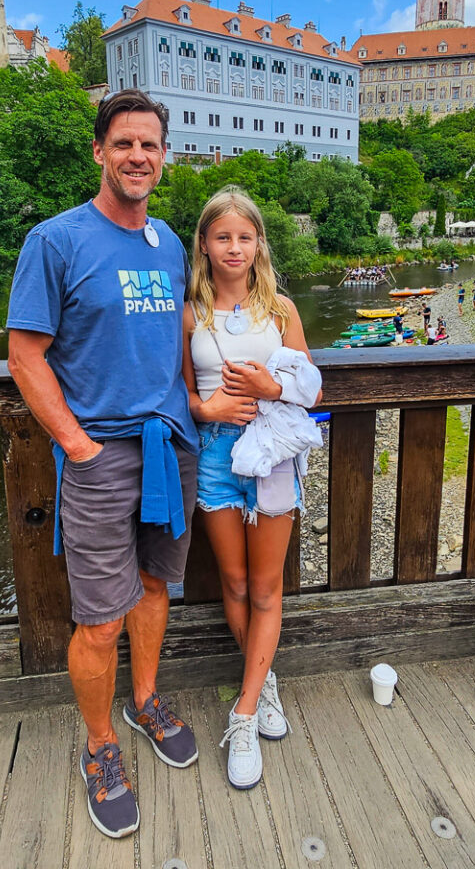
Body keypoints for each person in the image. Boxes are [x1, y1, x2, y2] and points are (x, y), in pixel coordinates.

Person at [6, 89, 199, 840]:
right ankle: (101, 746)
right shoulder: (57, 241)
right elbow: (25, 357)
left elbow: (178, 336)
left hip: (168, 448)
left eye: (150, 145)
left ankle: (144, 699)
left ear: (163, 156)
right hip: (99, 457)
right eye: (123, 144)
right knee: (97, 618)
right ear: (98, 152)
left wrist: (191, 404)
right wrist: (79, 448)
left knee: (155, 585)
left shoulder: (172, 243)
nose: (138, 157)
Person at [182, 189, 322, 791]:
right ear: (205, 245)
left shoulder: (281, 308)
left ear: (258, 243)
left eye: (244, 237)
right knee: (233, 583)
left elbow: (311, 389)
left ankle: (243, 714)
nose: (234, 248)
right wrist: (207, 406)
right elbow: (180, 395)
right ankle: (261, 684)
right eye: (222, 237)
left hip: (271, 454)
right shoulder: (190, 313)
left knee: (266, 587)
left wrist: (271, 388)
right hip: (215, 457)